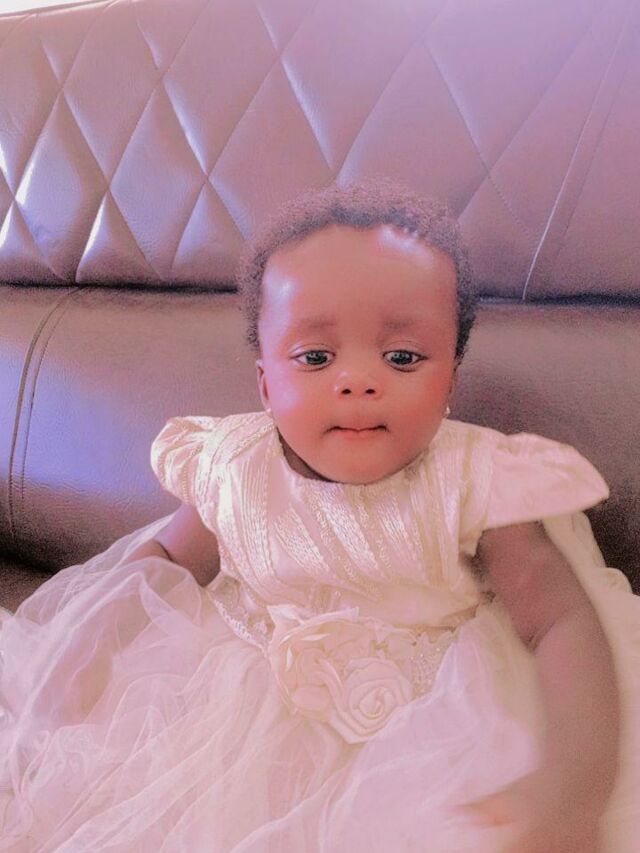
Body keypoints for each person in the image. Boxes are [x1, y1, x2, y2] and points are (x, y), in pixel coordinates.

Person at [0, 178, 638, 852]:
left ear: (450, 379)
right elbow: (161, 563)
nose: (357, 380)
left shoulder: (479, 481)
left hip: (437, 731)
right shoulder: (235, 468)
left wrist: (573, 788)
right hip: (232, 725)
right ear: (265, 384)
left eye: (402, 357)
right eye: (315, 357)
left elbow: (559, 620)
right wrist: (83, 656)